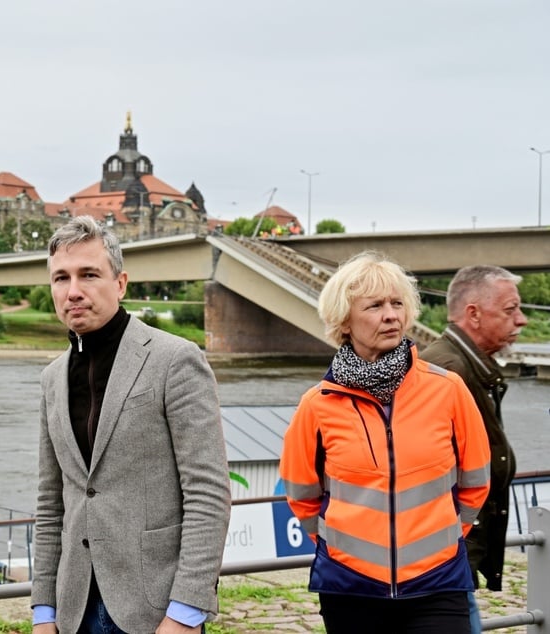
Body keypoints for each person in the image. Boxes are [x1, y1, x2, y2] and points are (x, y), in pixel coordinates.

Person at [31, 216, 231, 633]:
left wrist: (185, 613)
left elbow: (208, 493)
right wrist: (43, 612)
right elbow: (52, 505)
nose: (73, 291)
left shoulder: (175, 360)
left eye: (89, 275)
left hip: (154, 610)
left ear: (120, 283)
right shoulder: (52, 379)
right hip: (73, 611)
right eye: (60, 278)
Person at [279, 251, 491, 634]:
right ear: (344, 320)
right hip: (350, 587)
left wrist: (442, 539)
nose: (391, 315)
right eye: (375, 306)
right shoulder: (318, 404)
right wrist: (339, 546)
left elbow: (476, 480)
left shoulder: (447, 390)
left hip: (438, 583)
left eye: (397, 304)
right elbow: (301, 492)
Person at [420, 265, 528, 633]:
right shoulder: (446, 370)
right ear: (474, 314)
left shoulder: (463, 365)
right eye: (511, 309)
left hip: (454, 550)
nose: (523, 320)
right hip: (446, 553)